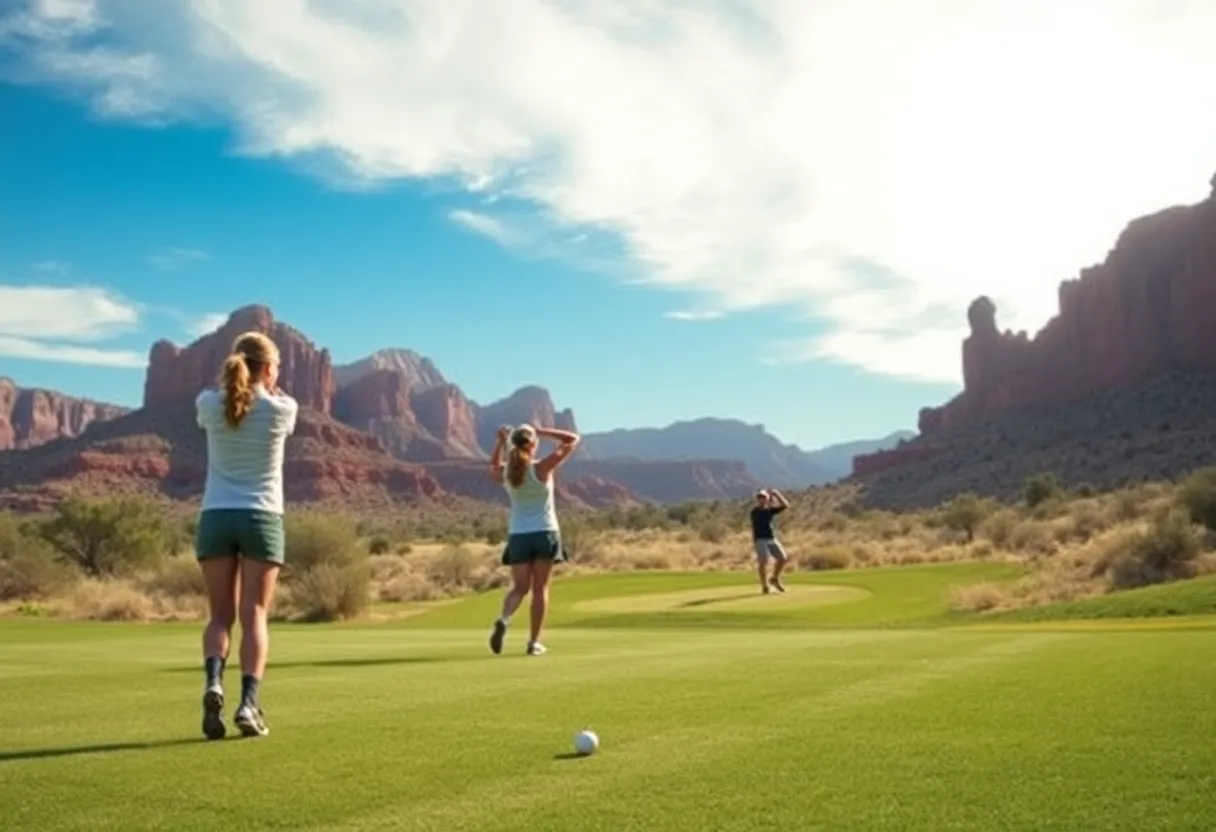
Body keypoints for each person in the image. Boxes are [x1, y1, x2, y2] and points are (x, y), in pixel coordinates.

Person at [193, 331, 298, 739]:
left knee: (220, 615)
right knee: (254, 613)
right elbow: (273, 397)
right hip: (261, 518)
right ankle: (248, 705)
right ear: (270, 368)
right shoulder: (282, 409)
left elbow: (221, 397)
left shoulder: (208, 404)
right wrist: (270, 384)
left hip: (216, 516)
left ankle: (213, 682)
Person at [486, 422, 580, 656]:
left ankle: (504, 619)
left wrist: (500, 442)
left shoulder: (507, 473)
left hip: (518, 536)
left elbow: (493, 466)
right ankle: (533, 642)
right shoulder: (541, 468)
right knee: (540, 589)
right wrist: (543, 431)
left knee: (519, 588)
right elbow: (572, 440)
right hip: (544, 533)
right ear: (533, 445)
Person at [750, 488, 790, 594]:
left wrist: (777, 494)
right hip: (760, 539)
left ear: (766, 499)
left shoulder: (769, 510)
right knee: (763, 561)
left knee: (782, 558)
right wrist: (771, 499)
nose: (761, 499)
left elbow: (785, 505)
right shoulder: (755, 512)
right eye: (759, 497)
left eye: (763, 497)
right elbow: (765, 512)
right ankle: (764, 586)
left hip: (771, 538)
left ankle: (774, 578)